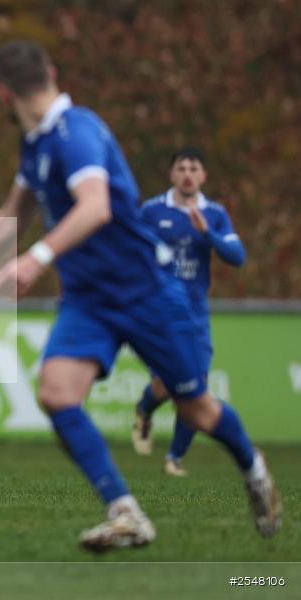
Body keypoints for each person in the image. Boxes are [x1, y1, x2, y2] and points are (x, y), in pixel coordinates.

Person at [0, 40, 280, 550]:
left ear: (2, 95)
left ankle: (255, 471)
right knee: (56, 393)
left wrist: (36, 258)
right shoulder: (36, 143)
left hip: (147, 293)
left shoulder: (79, 133)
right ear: (50, 71)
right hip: (89, 299)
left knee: (198, 411)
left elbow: (95, 207)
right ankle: (126, 513)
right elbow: (14, 211)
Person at [132, 147, 246, 476]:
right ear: (172, 175)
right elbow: (131, 248)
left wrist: (206, 234)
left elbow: (237, 257)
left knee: (196, 387)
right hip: (157, 310)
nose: (187, 174)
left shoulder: (214, 213)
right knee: (165, 386)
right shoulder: (152, 211)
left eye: (194, 168)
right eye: (181, 167)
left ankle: (174, 458)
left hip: (194, 315)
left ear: (203, 176)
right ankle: (145, 408)